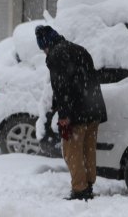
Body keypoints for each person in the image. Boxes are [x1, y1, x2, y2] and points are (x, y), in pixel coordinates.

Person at [35, 25, 107, 201]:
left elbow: (62, 88)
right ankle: (88, 184)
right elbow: (88, 81)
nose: (44, 52)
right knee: (88, 150)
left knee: (72, 152)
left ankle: (80, 190)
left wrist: (65, 115)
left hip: (76, 113)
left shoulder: (56, 55)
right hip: (93, 109)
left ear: (46, 45)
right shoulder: (79, 49)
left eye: (43, 48)